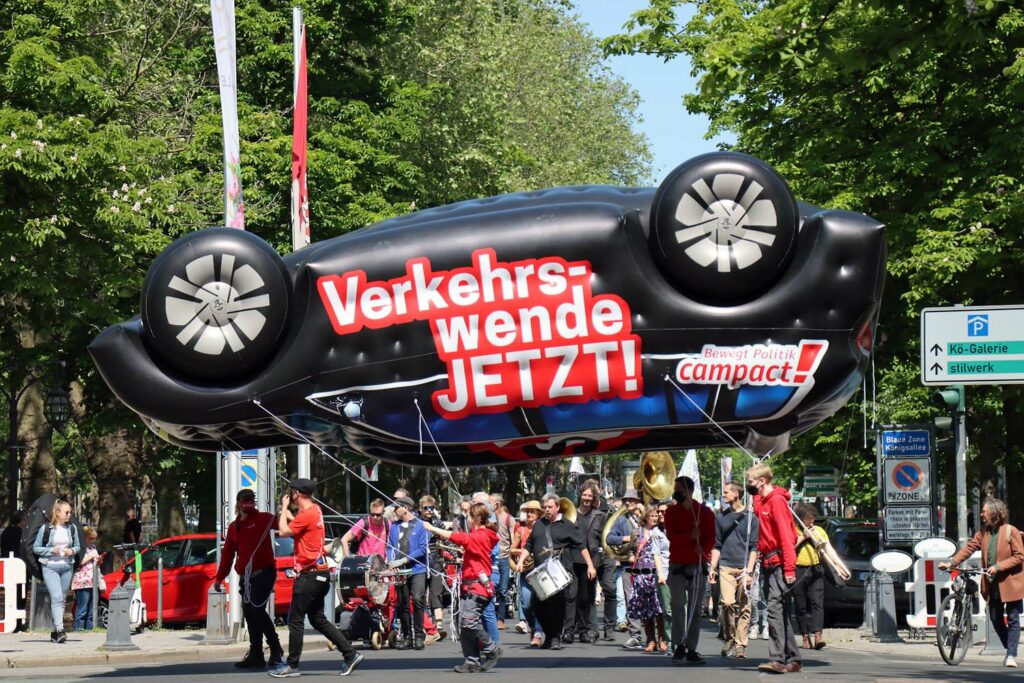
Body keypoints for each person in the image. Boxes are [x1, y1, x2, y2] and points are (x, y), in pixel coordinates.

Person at [272, 478, 363, 677]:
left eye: (291, 494)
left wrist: (283, 509)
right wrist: (290, 514)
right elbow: (300, 529)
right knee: (318, 619)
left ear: (296, 494)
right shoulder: (316, 510)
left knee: (295, 620)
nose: (291, 498)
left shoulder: (306, 514)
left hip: (310, 576)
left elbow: (283, 531)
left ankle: (292, 665)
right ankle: (350, 654)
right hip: (320, 574)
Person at [941, 498, 1024, 668]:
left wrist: (998, 566)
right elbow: (969, 548)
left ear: (994, 513)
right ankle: (1010, 648)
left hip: (1011, 582)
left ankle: (1011, 655)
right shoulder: (983, 532)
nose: (981, 514)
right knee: (994, 617)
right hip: (993, 584)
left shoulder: (1011, 531)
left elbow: (1019, 556)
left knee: (1013, 618)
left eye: (984, 511)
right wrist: (952, 563)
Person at [422, 503, 502, 673]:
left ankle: (491, 649)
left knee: (469, 622)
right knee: (463, 625)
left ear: (477, 518)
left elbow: (458, 537)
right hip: (470, 585)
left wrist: (432, 528)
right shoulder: (479, 535)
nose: (468, 521)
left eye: (470, 517)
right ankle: (471, 660)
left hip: (478, 586)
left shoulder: (480, 536)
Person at [215, 488, 284, 669]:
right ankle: (256, 654)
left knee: (257, 610)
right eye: (245, 500)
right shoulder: (234, 527)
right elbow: (228, 555)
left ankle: (276, 649)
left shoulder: (264, 519)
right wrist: (219, 578)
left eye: (251, 500)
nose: (249, 503)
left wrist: (287, 508)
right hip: (246, 577)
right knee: (249, 613)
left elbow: (285, 527)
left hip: (265, 573)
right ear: (238, 504)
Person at [746, 463, 801, 674]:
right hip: (769, 562)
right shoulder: (765, 500)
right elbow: (759, 508)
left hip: (779, 563)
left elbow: (787, 537)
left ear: (762, 481)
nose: (749, 486)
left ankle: (777, 659)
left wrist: (789, 568)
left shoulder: (777, 501)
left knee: (775, 610)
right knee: (781, 611)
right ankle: (793, 659)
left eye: (751, 482)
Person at [523, 493, 593, 650]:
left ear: (557, 507)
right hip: (540, 573)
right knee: (536, 606)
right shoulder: (538, 524)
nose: (547, 510)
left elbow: (581, 546)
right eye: (545, 507)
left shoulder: (567, 525)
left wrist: (590, 565)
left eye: (550, 507)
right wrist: (521, 561)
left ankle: (555, 637)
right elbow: (529, 545)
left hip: (559, 572)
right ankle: (549, 635)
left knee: (556, 606)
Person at [663, 476, 715, 665]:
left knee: (695, 609)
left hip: (696, 565)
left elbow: (711, 537)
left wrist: (704, 548)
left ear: (688, 491)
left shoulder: (704, 512)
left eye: (679, 489)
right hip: (677, 564)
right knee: (677, 605)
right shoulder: (671, 512)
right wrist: (689, 537)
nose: (675, 492)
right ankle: (678, 645)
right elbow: (672, 537)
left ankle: (692, 648)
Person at [708, 481, 759, 659]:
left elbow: (754, 547)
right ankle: (729, 636)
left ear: (737, 494)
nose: (724, 495)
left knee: (745, 607)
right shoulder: (721, 517)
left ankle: (740, 644)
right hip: (726, 566)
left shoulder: (751, 517)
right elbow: (717, 544)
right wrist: (712, 567)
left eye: (727, 492)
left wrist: (749, 572)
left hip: (745, 567)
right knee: (727, 603)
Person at [33, 499, 79, 643]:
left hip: (67, 567)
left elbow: (78, 546)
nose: (69, 515)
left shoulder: (72, 528)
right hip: (50, 567)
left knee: (63, 598)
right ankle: (60, 630)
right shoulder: (46, 528)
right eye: (66, 512)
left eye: (70, 512)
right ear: (57, 513)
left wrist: (72, 550)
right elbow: (36, 548)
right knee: (57, 597)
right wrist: (51, 550)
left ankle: (54, 632)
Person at [387, 494, 429, 649]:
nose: (394, 511)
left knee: (417, 599)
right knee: (402, 602)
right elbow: (390, 546)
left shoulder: (421, 525)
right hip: (400, 571)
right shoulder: (394, 526)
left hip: (417, 569)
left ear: (405, 508)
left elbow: (423, 549)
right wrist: (391, 560)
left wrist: (404, 560)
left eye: (397, 508)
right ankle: (407, 636)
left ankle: (419, 635)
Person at [627, 506, 669, 653]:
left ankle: (662, 639)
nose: (654, 518)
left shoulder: (661, 532)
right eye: (651, 515)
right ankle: (650, 640)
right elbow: (631, 550)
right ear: (645, 517)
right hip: (641, 573)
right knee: (646, 609)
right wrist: (632, 556)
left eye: (656, 516)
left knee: (659, 608)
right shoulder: (636, 533)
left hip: (657, 573)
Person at [606, 489, 643, 647]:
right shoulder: (621, 520)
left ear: (637, 502)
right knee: (631, 600)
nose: (628, 503)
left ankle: (657, 636)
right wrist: (626, 538)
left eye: (632, 500)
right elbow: (609, 538)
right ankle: (635, 634)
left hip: (648, 564)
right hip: (629, 564)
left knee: (650, 600)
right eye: (626, 500)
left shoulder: (646, 516)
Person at [574, 481, 609, 643]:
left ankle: (585, 629)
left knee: (586, 597)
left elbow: (603, 541)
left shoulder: (599, 516)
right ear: (580, 495)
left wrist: (598, 562)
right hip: (572, 560)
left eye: (590, 496)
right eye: (585, 495)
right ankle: (569, 629)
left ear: (593, 497)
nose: (587, 498)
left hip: (591, 563)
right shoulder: (571, 513)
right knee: (571, 596)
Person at [792, 503, 828, 651]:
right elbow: (788, 548)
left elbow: (827, 550)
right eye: (808, 519)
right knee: (800, 606)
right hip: (798, 569)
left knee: (817, 603)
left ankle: (818, 635)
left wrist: (816, 538)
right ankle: (805, 635)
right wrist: (802, 538)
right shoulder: (793, 530)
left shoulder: (818, 530)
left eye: (813, 519)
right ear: (801, 519)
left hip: (815, 569)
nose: (811, 522)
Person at [511, 500, 544, 646]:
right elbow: (512, 549)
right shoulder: (521, 530)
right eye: (528, 511)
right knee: (525, 603)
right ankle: (532, 627)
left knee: (539, 603)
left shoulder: (543, 528)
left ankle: (538, 632)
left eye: (533, 511)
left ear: (538, 514)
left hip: (540, 571)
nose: (529, 513)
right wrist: (522, 552)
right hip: (525, 570)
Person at [489, 493, 516, 631]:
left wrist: (513, 552)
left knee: (503, 589)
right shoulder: (487, 518)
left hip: (504, 558)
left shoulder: (508, 519)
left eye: (490, 502)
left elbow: (513, 538)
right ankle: (491, 617)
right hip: (490, 557)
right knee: (490, 588)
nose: (488, 505)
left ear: (497, 504)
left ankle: (501, 618)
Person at [1, 511, 27, 632]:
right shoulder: (20, 533)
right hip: (19, 566)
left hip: (7, 566)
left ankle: (11, 620)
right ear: (21, 522)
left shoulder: (6, 532)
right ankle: (17, 623)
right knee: (20, 595)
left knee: (10, 595)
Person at [71, 526, 101, 631]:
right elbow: (79, 562)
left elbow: (96, 561)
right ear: (84, 537)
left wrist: (99, 560)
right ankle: (78, 628)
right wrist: (91, 557)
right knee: (82, 607)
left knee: (91, 608)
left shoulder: (93, 548)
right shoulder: (79, 547)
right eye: (90, 538)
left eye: (94, 538)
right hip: (82, 581)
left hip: (93, 580)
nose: (93, 540)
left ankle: (89, 628)